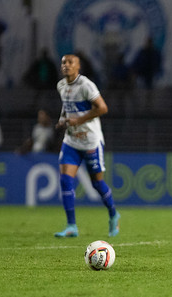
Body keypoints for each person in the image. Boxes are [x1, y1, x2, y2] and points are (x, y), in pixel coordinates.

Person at [54, 54, 120, 238]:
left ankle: (114, 214)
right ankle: (71, 226)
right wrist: (63, 121)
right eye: (63, 63)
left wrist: (78, 120)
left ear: (78, 67)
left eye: (70, 63)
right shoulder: (61, 85)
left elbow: (102, 108)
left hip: (90, 140)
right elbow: (66, 107)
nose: (66, 65)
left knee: (97, 183)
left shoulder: (86, 85)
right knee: (65, 180)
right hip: (71, 141)